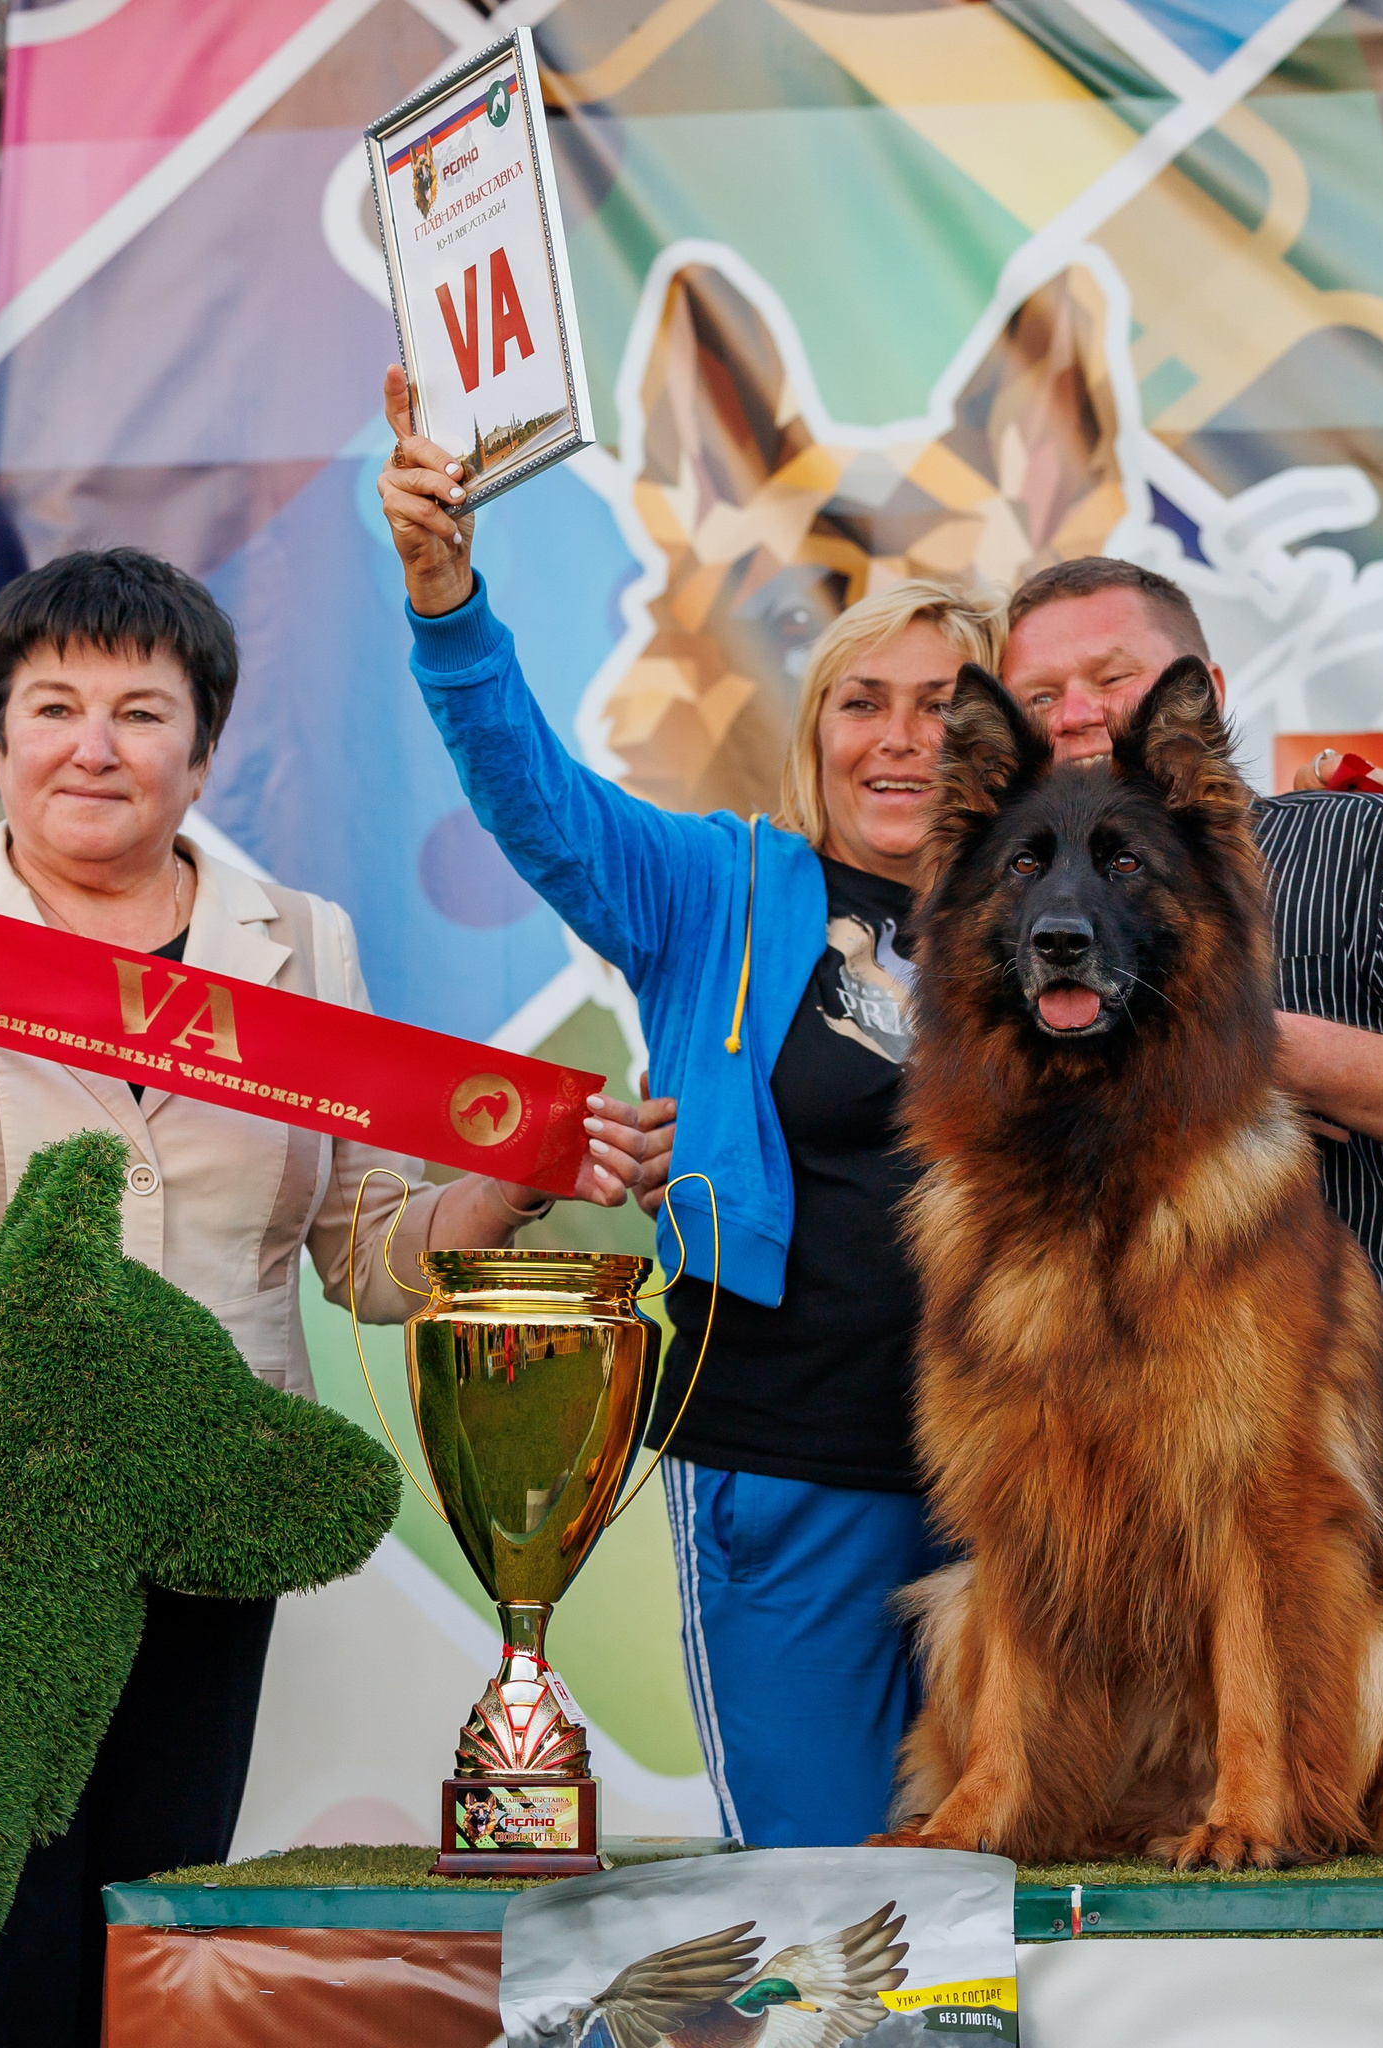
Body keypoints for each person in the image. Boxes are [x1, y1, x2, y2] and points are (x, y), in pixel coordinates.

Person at [0, 546, 648, 2047]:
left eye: (141, 711)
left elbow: (365, 1261)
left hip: (202, 1544)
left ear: (201, 754)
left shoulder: (300, 944)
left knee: (145, 1948)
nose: (94, 746)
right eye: (53, 706)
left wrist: (520, 1172)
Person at [377, 368, 1002, 1847]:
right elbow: (529, 793)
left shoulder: (1059, 916)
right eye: (864, 703)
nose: (900, 740)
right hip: (787, 1460)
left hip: (1030, 1469)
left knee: (1035, 1879)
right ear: (817, 730)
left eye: (944, 706)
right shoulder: (716, 889)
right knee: (828, 1883)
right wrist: (445, 599)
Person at [998, 554, 1383, 1844]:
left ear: (1205, 694)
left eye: (1111, 675)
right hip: (1109, 1600)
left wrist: (1263, 1047)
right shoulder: (1002, 915)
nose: (1074, 710)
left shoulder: (1369, 848)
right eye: (1039, 688)